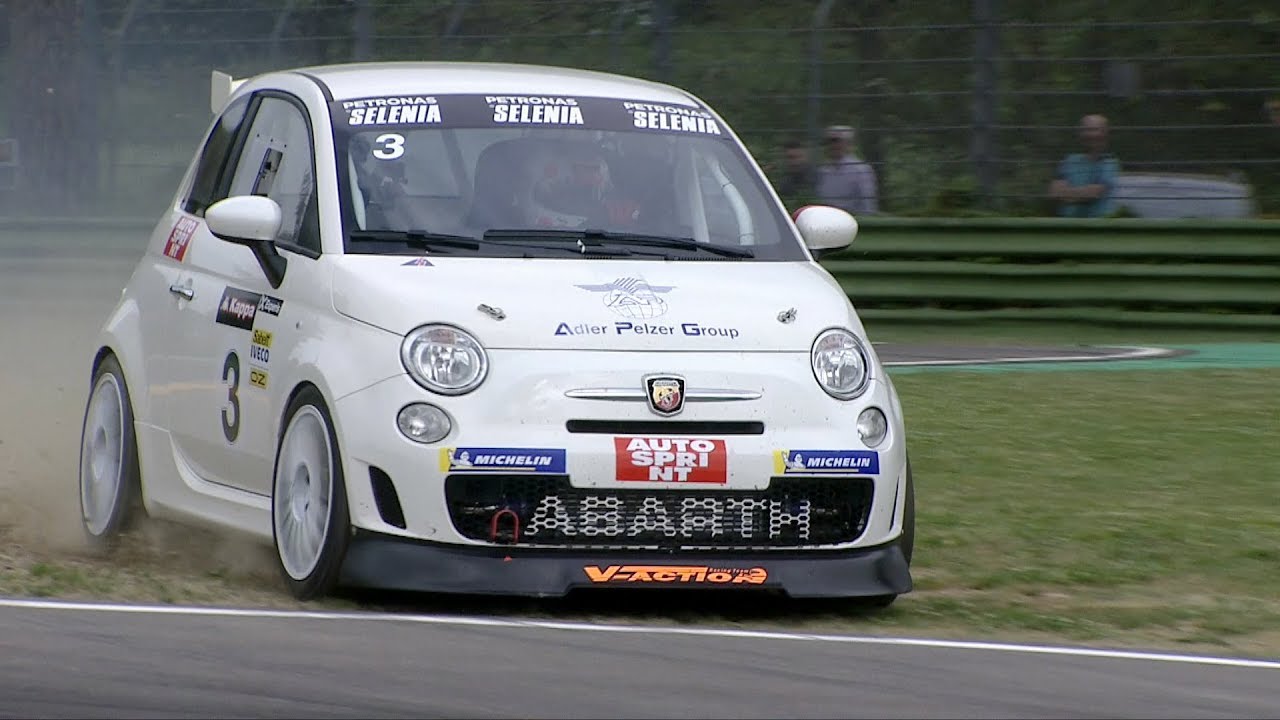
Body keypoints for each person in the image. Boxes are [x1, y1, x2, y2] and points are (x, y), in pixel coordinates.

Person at [1048, 114, 1120, 218]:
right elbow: (1054, 193)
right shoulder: (1069, 160)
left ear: (1105, 133)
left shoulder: (1109, 162)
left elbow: (1094, 193)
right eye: (1086, 130)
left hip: (1098, 224)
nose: (1089, 134)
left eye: (1094, 129)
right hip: (1066, 224)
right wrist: (1081, 193)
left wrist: (1066, 194)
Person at [814, 124, 879, 215]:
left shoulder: (861, 170)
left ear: (848, 143)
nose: (833, 145)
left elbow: (867, 204)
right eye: (829, 142)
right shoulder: (822, 171)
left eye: (837, 141)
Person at [774, 137, 813, 203]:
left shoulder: (819, 180)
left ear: (806, 157)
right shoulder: (785, 183)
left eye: (798, 157)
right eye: (790, 158)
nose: (795, 162)